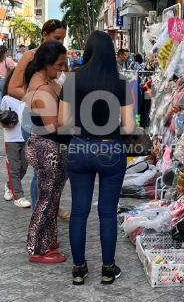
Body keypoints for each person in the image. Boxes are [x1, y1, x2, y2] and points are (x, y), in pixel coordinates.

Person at [58, 31, 135, 285]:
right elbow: (130, 126)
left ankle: (79, 270)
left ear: (88, 51)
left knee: (79, 212)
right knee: (107, 213)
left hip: (79, 149)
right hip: (111, 150)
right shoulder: (121, 82)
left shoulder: (72, 79)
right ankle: (108, 269)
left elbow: (62, 122)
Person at [8, 19, 69, 217]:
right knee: (42, 170)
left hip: (57, 118)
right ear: (44, 35)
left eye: (63, 38)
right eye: (56, 38)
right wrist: (40, 100)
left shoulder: (60, 56)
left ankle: (50, 206)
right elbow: (12, 88)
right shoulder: (30, 56)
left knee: (56, 168)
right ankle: (39, 212)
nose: (60, 42)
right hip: (35, 119)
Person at [23, 41, 70, 263]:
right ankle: (36, 248)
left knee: (51, 197)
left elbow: (66, 94)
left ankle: (48, 240)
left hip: (44, 144)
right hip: (47, 147)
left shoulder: (44, 80)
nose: (63, 68)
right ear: (47, 62)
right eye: (60, 64)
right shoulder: (42, 87)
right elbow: (54, 124)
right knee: (47, 200)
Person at [0, 67, 31, 208]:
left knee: (23, 168)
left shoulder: (30, 96)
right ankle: (18, 197)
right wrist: (5, 123)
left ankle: (9, 185)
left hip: (27, 137)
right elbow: (0, 117)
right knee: (14, 168)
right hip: (11, 138)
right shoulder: (7, 99)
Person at [0, 46, 16, 128]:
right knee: (7, 101)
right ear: (6, 52)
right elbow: (13, 72)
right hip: (4, 82)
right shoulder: (8, 60)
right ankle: (7, 120)